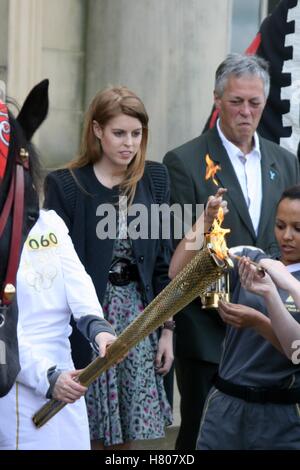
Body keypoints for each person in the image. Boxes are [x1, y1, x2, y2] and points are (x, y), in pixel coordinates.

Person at [164, 52, 300, 449]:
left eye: (255, 103)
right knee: (199, 437)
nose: (246, 112)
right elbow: (174, 254)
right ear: (217, 100)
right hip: (209, 334)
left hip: (275, 339)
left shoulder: (286, 162)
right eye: (236, 101)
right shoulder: (185, 162)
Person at [43, 86, 173, 449]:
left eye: (136, 133)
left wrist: (167, 331)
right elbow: (56, 271)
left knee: (126, 437)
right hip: (87, 322)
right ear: (97, 130)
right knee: (89, 431)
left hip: (140, 321)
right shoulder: (65, 185)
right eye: (119, 133)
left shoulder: (155, 179)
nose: (129, 143)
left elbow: (163, 263)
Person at [0, 209, 116, 450]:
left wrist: (99, 330)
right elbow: (3, 339)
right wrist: (48, 378)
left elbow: (79, 284)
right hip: (17, 385)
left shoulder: (50, 222)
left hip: (67, 379)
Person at [194, 185, 300, 449]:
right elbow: (181, 273)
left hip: (281, 413)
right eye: (280, 225)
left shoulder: (286, 279)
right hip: (226, 405)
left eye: (298, 229)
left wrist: (259, 321)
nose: (286, 236)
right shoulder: (253, 258)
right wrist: (207, 224)